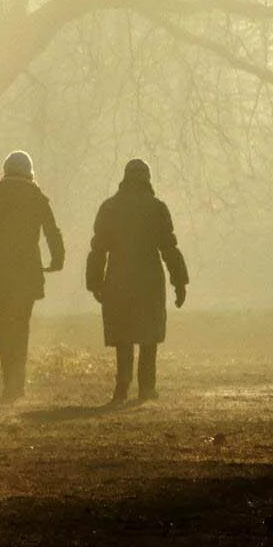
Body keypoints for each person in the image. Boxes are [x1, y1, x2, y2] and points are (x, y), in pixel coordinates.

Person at [0, 150, 66, 400]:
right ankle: (17, 385)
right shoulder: (37, 197)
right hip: (27, 272)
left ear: (5, 171)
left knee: (3, 328)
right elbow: (52, 232)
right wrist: (57, 260)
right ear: (30, 173)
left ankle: (8, 383)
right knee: (21, 326)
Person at [86, 158, 188, 402]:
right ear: (147, 179)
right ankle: (146, 387)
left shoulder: (109, 208)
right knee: (148, 335)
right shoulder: (157, 208)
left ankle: (122, 386)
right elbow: (169, 247)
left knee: (123, 335)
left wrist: (95, 282)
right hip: (149, 280)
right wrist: (179, 282)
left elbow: (98, 249)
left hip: (118, 278)